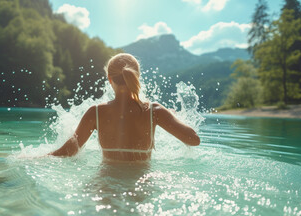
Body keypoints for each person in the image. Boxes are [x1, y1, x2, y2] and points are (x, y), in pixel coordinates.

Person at [49, 53, 200, 161]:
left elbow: (68, 151)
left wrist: (32, 158)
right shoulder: (154, 111)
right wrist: (171, 116)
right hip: (141, 186)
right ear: (137, 77)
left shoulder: (95, 112)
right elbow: (194, 140)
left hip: (104, 186)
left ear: (109, 79)